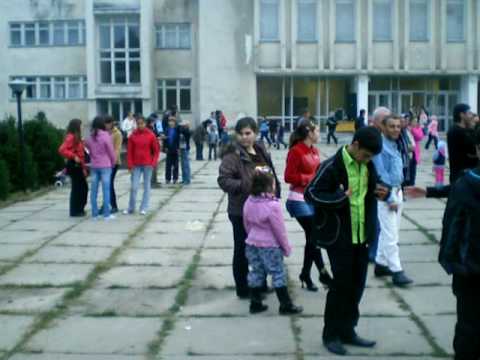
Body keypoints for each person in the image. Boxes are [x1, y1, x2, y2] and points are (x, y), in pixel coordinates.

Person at [305, 127, 388, 356]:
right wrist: (340, 197)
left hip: (362, 236)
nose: (367, 160)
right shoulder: (332, 166)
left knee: (357, 286)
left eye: (370, 158)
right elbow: (310, 193)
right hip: (339, 237)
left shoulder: (368, 166)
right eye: (365, 155)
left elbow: (376, 188)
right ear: (356, 144)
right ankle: (330, 334)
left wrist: (384, 191)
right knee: (340, 287)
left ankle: (348, 330)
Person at [218, 117, 281, 299]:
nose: (245, 137)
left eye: (248, 133)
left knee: (262, 248)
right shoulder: (233, 155)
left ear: (255, 133)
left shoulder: (260, 149)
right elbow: (224, 181)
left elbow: (271, 173)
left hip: (263, 209)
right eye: (241, 134)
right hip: (241, 211)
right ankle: (243, 288)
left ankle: (259, 284)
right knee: (243, 250)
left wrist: (275, 192)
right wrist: (248, 185)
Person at [244, 170, 303, 315]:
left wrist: (251, 236)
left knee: (256, 271)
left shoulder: (249, 201)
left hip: (252, 243)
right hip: (269, 245)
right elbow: (279, 230)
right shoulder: (272, 206)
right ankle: (285, 305)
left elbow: (246, 223)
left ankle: (255, 303)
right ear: (269, 186)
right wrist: (285, 247)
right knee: (278, 273)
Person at [284, 120, 333, 292]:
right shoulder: (296, 151)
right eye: (317, 130)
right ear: (309, 133)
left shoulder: (315, 150)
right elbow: (288, 176)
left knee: (313, 238)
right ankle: (321, 272)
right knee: (314, 236)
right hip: (298, 199)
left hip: (313, 200)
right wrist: (309, 179)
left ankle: (308, 274)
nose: (319, 134)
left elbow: (318, 172)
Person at [373, 114, 413, 287]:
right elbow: (380, 174)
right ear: (383, 127)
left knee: (389, 231)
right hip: (385, 193)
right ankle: (397, 271)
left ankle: (381, 263)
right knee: (391, 234)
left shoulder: (396, 144)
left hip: (397, 191)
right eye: (392, 126)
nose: (396, 129)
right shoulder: (379, 147)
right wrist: (390, 197)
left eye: (398, 126)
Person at [368, 107, 392, 263]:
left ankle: (379, 252)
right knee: (376, 222)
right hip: (375, 184)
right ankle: (374, 253)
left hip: (385, 183)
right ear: (376, 121)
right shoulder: (372, 136)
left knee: (384, 222)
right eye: (385, 120)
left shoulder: (387, 136)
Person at [124, 115, 160, 215]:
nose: (140, 126)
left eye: (142, 123)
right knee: (134, 187)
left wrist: (153, 163)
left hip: (148, 165)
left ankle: (143, 208)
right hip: (136, 165)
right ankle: (131, 208)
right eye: (138, 124)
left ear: (145, 124)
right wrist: (130, 165)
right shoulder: (132, 136)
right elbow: (129, 152)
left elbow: (156, 151)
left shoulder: (151, 135)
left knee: (146, 186)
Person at [85, 116, 116, 220]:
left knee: (94, 191)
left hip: (94, 166)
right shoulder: (106, 136)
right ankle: (106, 214)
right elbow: (111, 151)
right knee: (106, 190)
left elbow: (87, 147)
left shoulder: (90, 137)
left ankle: (94, 214)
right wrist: (113, 162)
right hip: (105, 166)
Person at [58, 119, 88, 217]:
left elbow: (81, 153)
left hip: (78, 166)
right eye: (81, 125)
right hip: (73, 165)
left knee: (82, 187)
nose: (82, 127)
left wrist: (83, 168)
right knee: (78, 188)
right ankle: (75, 211)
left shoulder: (77, 138)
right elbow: (62, 150)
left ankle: (79, 209)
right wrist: (73, 156)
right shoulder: (71, 137)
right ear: (76, 126)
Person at [447, 103, 478, 184]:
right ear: (462, 115)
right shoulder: (459, 132)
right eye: (469, 113)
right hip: (462, 176)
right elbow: (474, 150)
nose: (471, 116)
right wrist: (473, 128)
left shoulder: (457, 130)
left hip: (461, 174)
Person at [104, 116, 122, 213]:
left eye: (107, 123)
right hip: (104, 163)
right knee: (105, 184)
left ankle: (114, 206)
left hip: (114, 162)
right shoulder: (103, 133)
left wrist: (113, 161)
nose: (106, 125)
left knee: (109, 183)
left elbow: (117, 148)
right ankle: (105, 205)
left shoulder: (117, 134)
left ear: (111, 123)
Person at [408, 118, 424, 186]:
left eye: (416, 121)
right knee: (408, 170)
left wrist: (413, 129)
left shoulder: (417, 128)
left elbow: (420, 137)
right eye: (414, 121)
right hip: (408, 152)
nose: (415, 123)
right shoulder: (407, 128)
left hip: (415, 151)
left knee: (413, 170)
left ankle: (412, 184)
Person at [164, 116, 180, 184]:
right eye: (170, 121)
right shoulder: (167, 129)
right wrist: (165, 147)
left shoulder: (177, 129)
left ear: (175, 122)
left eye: (172, 121)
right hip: (169, 149)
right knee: (168, 165)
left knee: (176, 165)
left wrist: (178, 148)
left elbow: (179, 139)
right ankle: (168, 179)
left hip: (175, 149)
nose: (171, 123)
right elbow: (165, 139)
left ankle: (175, 178)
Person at [179, 120, 192, 185]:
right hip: (182, 148)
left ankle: (187, 180)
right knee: (183, 165)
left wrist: (181, 127)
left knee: (185, 165)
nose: (182, 126)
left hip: (185, 149)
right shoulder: (183, 130)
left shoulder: (187, 131)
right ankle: (184, 179)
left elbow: (184, 132)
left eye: (183, 125)